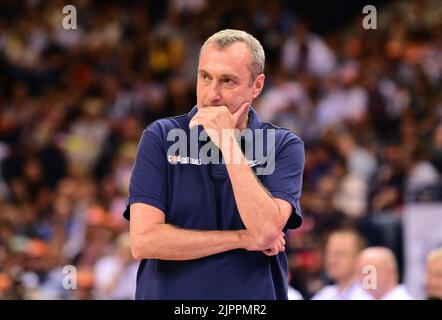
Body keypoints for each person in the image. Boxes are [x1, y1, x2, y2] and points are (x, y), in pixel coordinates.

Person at [124, 29, 305, 299]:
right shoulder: (160, 137)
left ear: (257, 85)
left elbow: (266, 232)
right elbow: (144, 241)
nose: (211, 94)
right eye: (205, 77)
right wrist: (242, 239)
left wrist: (228, 143)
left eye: (227, 81)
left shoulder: (283, 145)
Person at [312, 228, 372, 300]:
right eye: (328, 253)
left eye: (339, 254)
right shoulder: (325, 294)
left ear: (359, 257)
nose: (331, 260)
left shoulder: (370, 295)